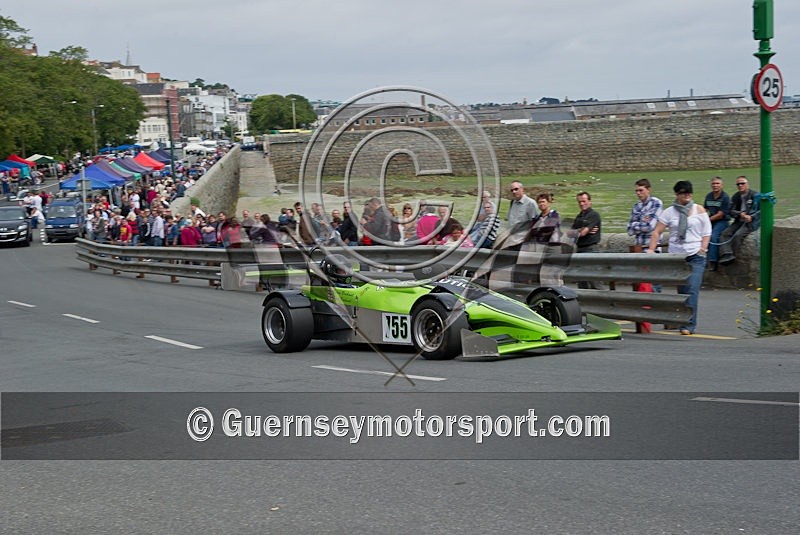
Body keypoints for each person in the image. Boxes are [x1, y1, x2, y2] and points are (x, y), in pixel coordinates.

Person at [647, 180, 711, 335]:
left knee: (692, 290)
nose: (687, 195)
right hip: (677, 257)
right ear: (677, 194)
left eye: (689, 192)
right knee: (682, 292)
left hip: (696, 255)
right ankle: (680, 320)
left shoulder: (698, 209)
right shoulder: (669, 212)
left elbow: (707, 231)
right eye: (683, 193)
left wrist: (703, 248)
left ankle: (689, 325)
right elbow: (657, 231)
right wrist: (651, 249)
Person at [718, 176, 759, 266]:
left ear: (747, 184)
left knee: (738, 235)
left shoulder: (755, 195)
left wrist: (751, 217)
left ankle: (733, 254)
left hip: (750, 222)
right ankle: (726, 254)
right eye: (738, 184)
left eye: (742, 183)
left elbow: (762, 210)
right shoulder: (736, 196)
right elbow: (730, 211)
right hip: (739, 221)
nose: (740, 185)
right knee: (724, 234)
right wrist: (740, 214)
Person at [568, 191, 604, 289]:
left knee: (594, 280)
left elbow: (582, 233)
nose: (581, 204)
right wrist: (581, 230)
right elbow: (569, 233)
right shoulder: (579, 216)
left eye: (584, 201)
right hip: (580, 250)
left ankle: (607, 302)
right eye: (579, 202)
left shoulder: (594, 215)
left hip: (591, 249)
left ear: (589, 201)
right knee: (581, 280)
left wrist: (580, 231)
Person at [703, 176, 731, 270]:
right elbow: (705, 209)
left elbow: (720, 214)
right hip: (710, 220)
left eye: (717, 183)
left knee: (713, 236)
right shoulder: (709, 196)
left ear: (721, 185)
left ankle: (713, 261)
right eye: (713, 183)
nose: (715, 185)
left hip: (722, 221)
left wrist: (707, 220)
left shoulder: (725, 197)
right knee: (700, 234)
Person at [627, 178, 663, 252]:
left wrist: (635, 225)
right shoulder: (636, 206)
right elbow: (629, 231)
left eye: (641, 190)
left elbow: (649, 226)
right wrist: (642, 223)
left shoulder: (656, 203)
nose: (638, 193)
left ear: (648, 190)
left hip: (652, 248)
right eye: (636, 191)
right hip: (638, 248)